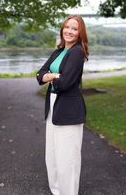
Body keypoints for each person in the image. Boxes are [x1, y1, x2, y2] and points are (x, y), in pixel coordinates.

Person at [36, 15, 89, 195]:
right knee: (52, 155)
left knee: (68, 159)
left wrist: (52, 77)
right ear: (62, 29)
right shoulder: (58, 51)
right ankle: (56, 191)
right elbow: (40, 75)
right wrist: (54, 76)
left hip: (68, 110)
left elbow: (65, 84)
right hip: (53, 106)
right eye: (67, 27)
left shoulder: (76, 52)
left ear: (80, 33)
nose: (69, 31)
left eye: (74, 28)